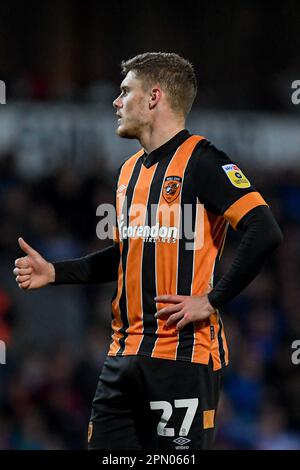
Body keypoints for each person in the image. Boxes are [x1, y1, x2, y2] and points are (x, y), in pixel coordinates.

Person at [13, 52, 283, 450]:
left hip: (183, 357)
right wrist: (55, 272)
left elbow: (265, 229)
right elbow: (127, 254)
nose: (116, 102)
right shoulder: (128, 172)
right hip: (122, 356)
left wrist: (211, 299)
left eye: (125, 91)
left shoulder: (203, 161)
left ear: (154, 96)